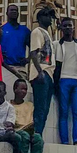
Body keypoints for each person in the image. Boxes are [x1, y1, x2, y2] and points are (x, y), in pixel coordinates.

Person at [54, 16, 77, 145]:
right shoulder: (57, 44)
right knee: (63, 112)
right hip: (63, 80)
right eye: (65, 25)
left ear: (73, 28)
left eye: (70, 25)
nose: (67, 28)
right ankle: (65, 141)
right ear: (61, 28)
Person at [11, 79, 43, 153]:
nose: (24, 91)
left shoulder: (30, 105)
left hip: (29, 130)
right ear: (15, 89)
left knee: (38, 138)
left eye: (25, 89)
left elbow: (32, 121)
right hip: (16, 131)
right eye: (22, 89)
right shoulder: (9, 105)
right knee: (24, 136)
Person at [29, 7, 55, 135]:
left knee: (45, 109)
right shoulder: (37, 32)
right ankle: (36, 134)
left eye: (50, 16)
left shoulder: (47, 34)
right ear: (39, 18)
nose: (50, 18)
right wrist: (39, 72)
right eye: (47, 15)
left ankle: (38, 134)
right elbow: (33, 53)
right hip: (42, 73)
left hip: (49, 74)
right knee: (40, 107)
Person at [1, 4, 31, 69]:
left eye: (16, 10)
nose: (14, 12)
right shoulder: (1, 29)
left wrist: (28, 59)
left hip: (19, 66)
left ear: (18, 14)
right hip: (4, 66)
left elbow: (34, 47)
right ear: (7, 13)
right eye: (11, 10)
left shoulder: (24, 30)